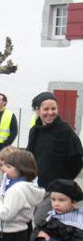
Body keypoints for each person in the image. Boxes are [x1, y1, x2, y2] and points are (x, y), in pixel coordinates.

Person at [27, 92, 83, 226]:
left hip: (54, 189)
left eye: (53, 109)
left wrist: (62, 182)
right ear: (37, 110)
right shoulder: (35, 130)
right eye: (46, 109)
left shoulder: (64, 131)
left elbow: (77, 159)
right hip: (35, 186)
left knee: (39, 221)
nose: (50, 112)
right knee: (30, 221)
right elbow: (29, 156)